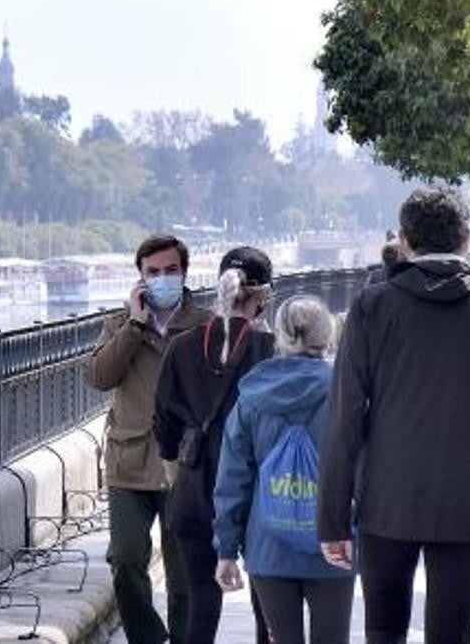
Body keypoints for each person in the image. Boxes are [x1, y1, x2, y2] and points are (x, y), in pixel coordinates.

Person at [318, 186, 470, 644]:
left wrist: (332, 518)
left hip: (386, 501)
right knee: (453, 633)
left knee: (384, 630)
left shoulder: (374, 306)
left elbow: (345, 418)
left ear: (406, 241)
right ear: (466, 237)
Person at [214, 295, 355, 644]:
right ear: (328, 336)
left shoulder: (251, 397)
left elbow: (232, 479)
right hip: (334, 542)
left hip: (268, 546)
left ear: (280, 337)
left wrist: (226, 550)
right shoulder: (347, 391)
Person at [87, 235, 207, 644]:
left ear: (184, 272)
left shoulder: (206, 326)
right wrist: (135, 326)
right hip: (129, 462)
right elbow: (100, 377)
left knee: (184, 573)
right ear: (139, 279)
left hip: (186, 465)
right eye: (153, 272)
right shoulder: (119, 326)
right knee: (124, 559)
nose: (162, 279)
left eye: (170, 271)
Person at [154, 246, 276, 643]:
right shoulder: (270, 350)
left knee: (201, 606)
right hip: (258, 484)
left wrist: (177, 474)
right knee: (267, 607)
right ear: (263, 296)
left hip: (195, 483)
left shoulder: (182, 346)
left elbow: (164, 424)